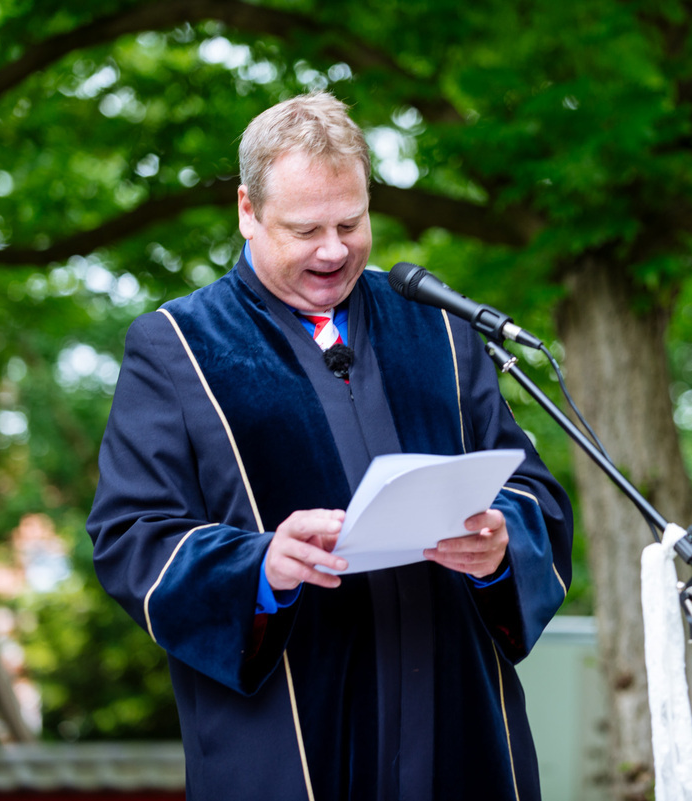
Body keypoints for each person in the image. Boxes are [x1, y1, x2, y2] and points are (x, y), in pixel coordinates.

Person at [86, 91, 574, 801]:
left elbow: (532, 492)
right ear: (249, 212)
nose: (334, 250)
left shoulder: (437, 326)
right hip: (291, 737)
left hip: (456, 721)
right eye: (306, 229)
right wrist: (261, 564)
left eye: (352, 222)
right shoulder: (178, 348)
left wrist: (502, 543)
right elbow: (129, 538)